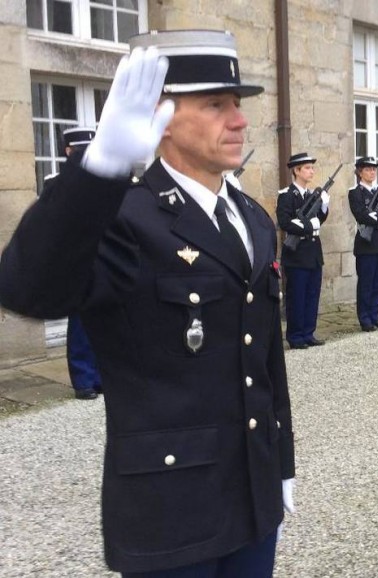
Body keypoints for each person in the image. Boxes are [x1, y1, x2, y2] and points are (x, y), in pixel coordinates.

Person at [0, 31, 295, 576]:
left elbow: (265, 357)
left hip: (253, 492)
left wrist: (281, 460)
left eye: (237, 103)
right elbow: (29, 289)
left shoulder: (251, 217)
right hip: (171, 507)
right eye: (216, 105)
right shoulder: (125, 217)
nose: (239, 120)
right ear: (163, 116)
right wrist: (100, 168)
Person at [48, 126, 105, 400]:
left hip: (104, 258)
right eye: (80, 150)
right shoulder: (56, 183)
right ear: (68, 151)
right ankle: (83, 380)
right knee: (81, 322)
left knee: (104, 320)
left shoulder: (105, 181)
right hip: (76, 260)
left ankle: (100, 376)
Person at [277, 152, 329, 349]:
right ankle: (295, 336)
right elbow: (284, 222)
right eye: (307, 168)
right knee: (297, 296)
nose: (311, 171)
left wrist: (324, 207)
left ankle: (308, 333)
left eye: (312, 168)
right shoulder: (286, 195)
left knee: (312, 295)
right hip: (296, 254)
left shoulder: (311, 195)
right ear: (296, 171)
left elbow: (318, 220)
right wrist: (308, 226)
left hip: (313, 252)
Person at [348, 156, 378, 332]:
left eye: (374, 169)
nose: (372, 172)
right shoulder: (355, 193)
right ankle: (365, 318)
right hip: (366, 244)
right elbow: (361, 215)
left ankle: (375, 315)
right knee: (366, 284)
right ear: (360, 172)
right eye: (368, 169)